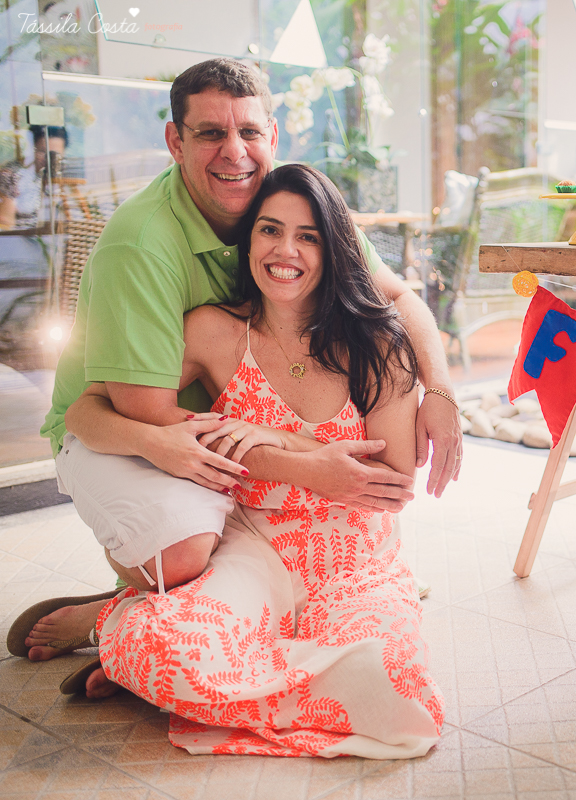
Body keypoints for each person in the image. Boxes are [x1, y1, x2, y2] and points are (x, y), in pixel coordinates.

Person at [7, 59, 461, 660]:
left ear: (273, 136)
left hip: (228, 440)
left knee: (341, 644)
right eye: (210, 133)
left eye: (248, 132)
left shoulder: (289, 202)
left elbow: (399, 297)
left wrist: (442, 393)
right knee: (185, 552)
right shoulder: (141, 247)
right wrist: (304, 457)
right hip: (138, 431)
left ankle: (154, 608)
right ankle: (146, 599)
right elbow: (135, 415)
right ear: (175, 141)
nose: (234, 152)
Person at [39, 163, 443, 758]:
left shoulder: (377, 340)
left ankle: (216, 679)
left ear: (334, 249)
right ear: (248, 239)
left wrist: (264, 436)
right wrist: (306, 459)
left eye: (308, 237)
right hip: (253, 543)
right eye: (270, 230)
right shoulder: (212, 333)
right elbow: (86, 414)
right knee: (158, 648)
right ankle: (121, 633)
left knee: (396, 693)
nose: (286, 251)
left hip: (353, 557)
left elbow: (392, 483)